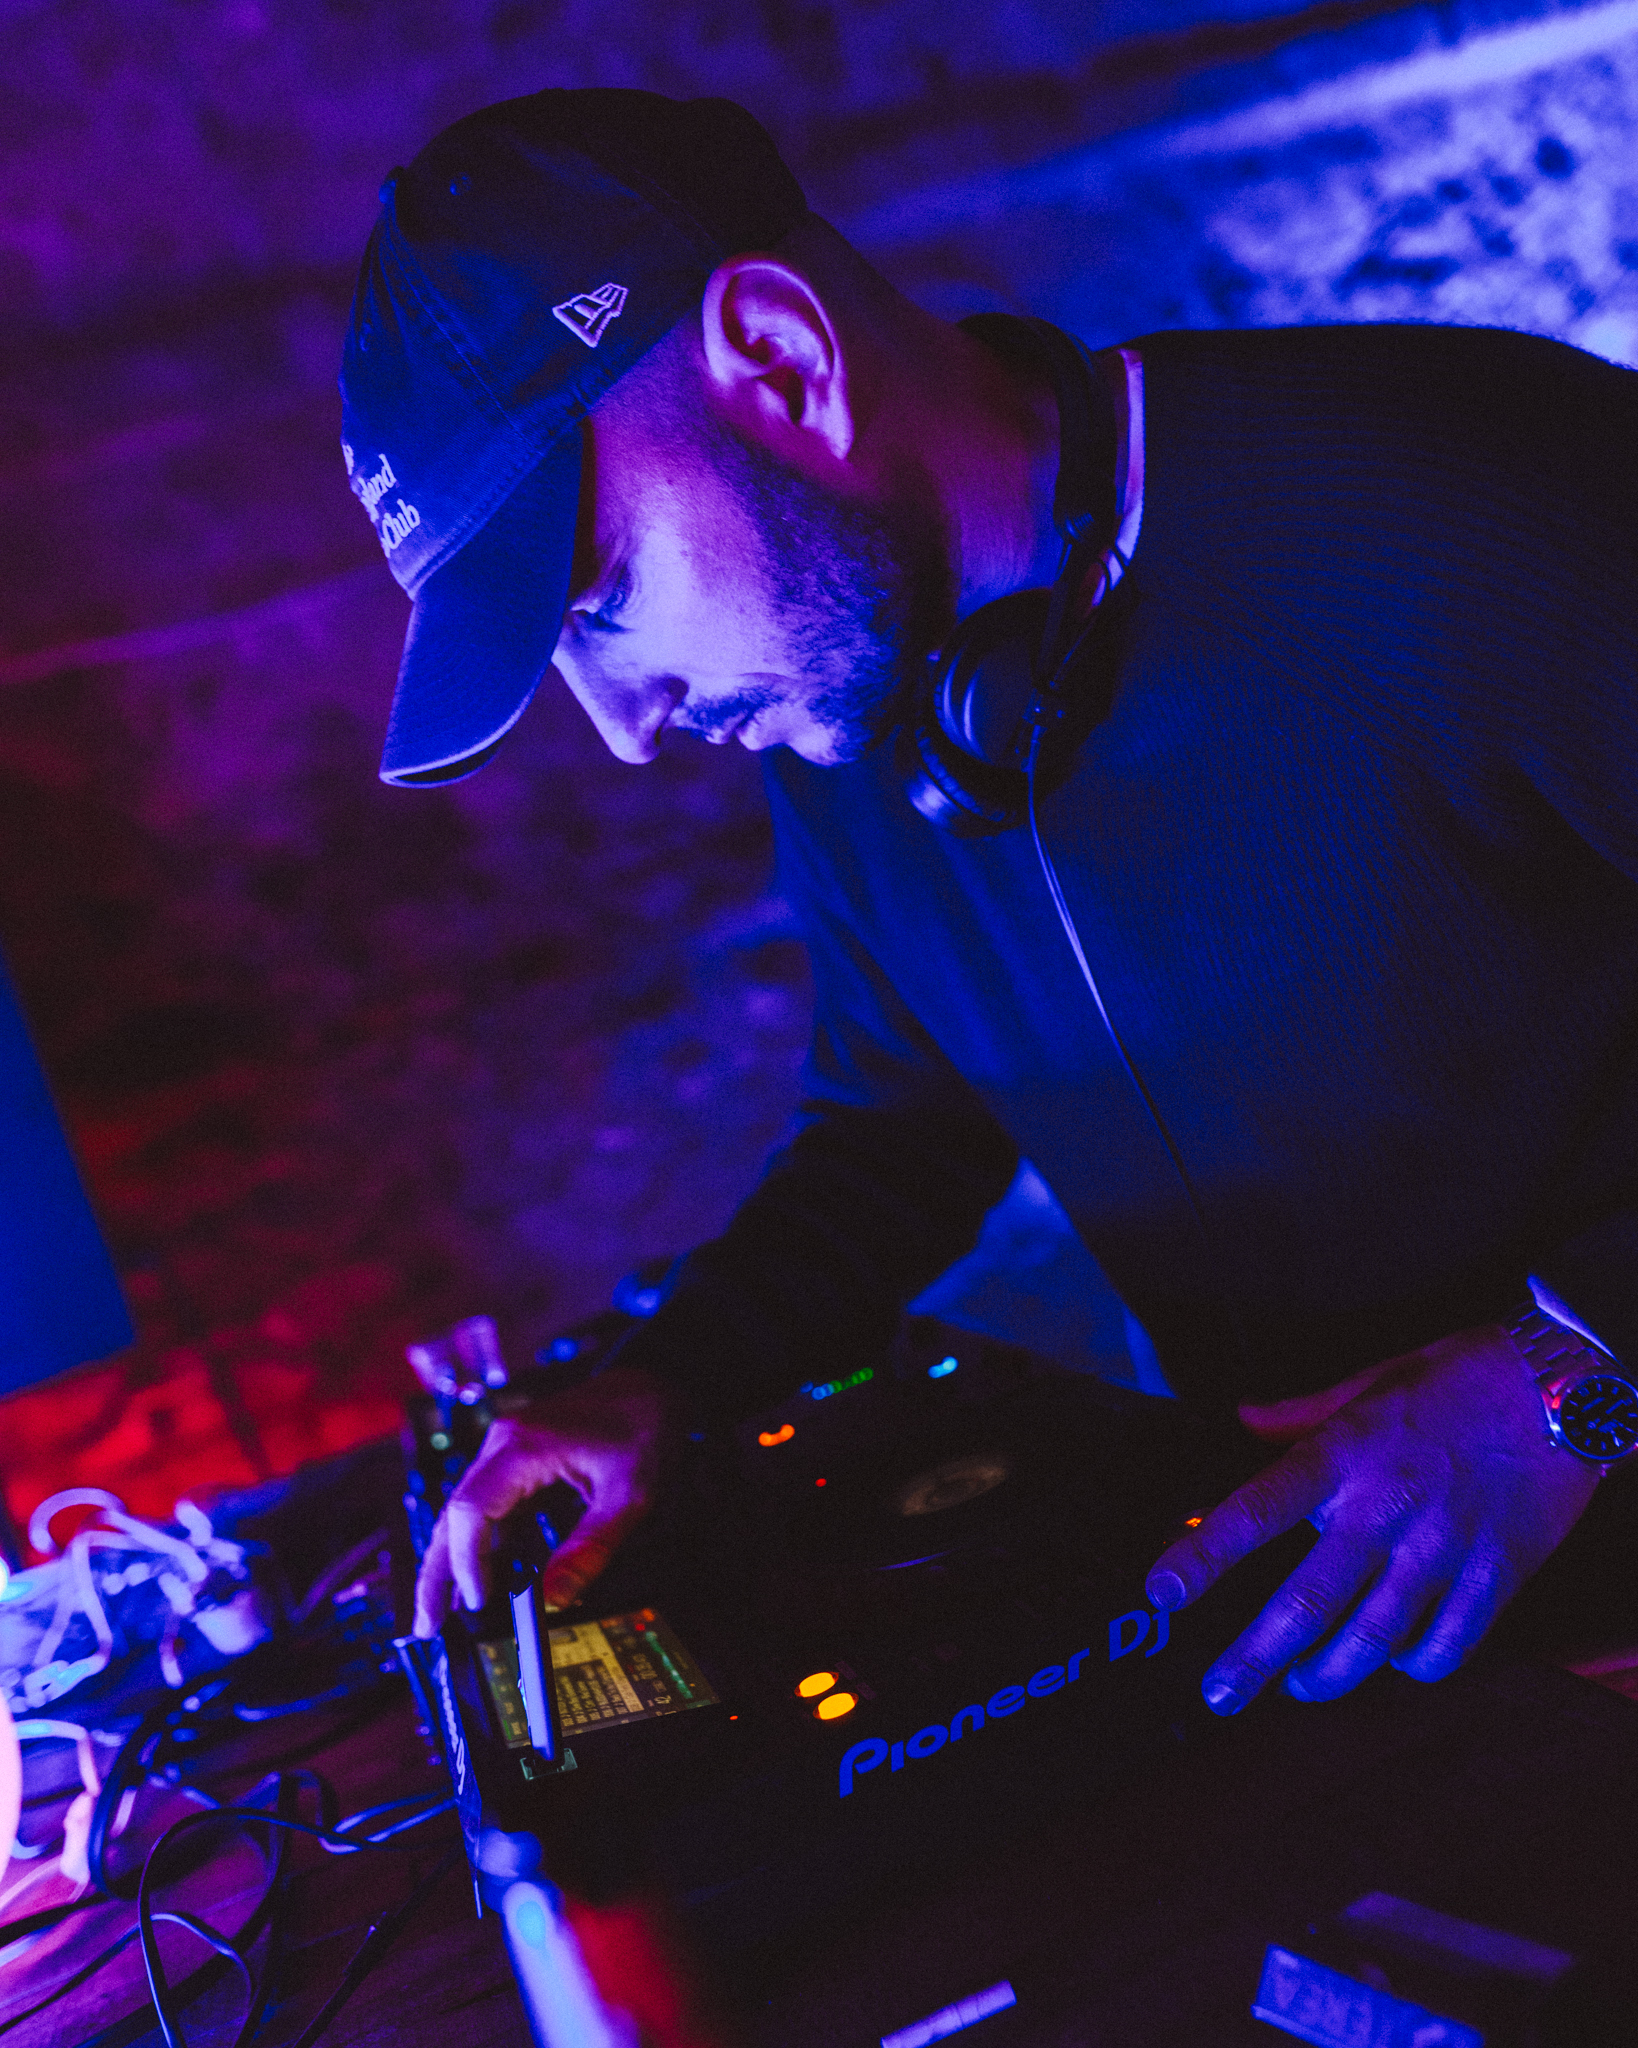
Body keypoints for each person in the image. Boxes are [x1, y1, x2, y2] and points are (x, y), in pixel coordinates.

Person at [338, 88, 1638, 1717]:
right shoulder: (847, 716)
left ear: (779, 363)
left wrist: (1573, 1377)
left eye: (597, 600)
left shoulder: (1491, 495)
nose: (623, 730)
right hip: (1384, 1647)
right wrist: (662, 1382)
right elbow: (898, 1120)